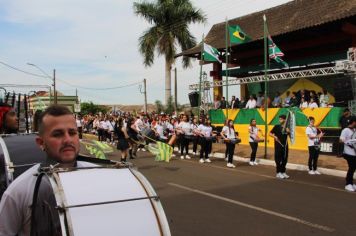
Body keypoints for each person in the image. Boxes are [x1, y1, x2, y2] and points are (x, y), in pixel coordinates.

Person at [0, 105, 96, 235]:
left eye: (72, 133)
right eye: (57, 134)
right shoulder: (18, 192)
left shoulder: (98, 175)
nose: (67, 140)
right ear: (41, 143)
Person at [269, 114, 290, 179]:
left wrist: (289, 132)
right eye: (279, 119)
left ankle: (283, 172)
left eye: (281, 119)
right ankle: (278, 173)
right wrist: (274, 136)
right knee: (278, 159)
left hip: (285, 145)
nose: (279, 120)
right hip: (278, 144)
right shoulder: (276, 126)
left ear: (284, 120)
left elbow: (291, 136)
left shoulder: (287, 127)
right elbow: (270, 133)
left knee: (285, 159)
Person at [339, 116, 356, 192]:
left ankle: (351, 183)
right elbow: (341, 140)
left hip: (354, 152)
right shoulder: (345, 130)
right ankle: (348, 184)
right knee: (351, 168)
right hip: (348, 153)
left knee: (353, 168)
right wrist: (349, 141)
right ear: (353, 122)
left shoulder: (355, 130)